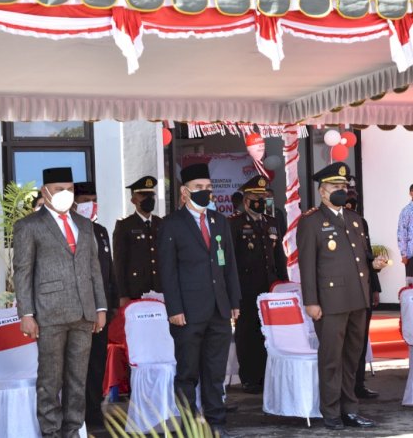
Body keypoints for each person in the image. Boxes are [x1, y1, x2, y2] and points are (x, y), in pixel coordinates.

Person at [13, 167, 108, 437]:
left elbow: (94, 269)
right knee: (50, 380)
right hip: (49, 314)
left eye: (69, 189)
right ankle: (51, 431)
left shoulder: (85, 224)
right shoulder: (29, 226)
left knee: (78, 380)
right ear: (45, 192)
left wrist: (100, 307)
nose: (65, 194)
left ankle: (72, 430)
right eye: (58, 189)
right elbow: (23, 272)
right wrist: (26, 314)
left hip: (83, 312)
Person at [158, 163, 241, 438]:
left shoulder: (219, 221)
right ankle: (190, 425)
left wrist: (234, 301)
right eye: (199, 188)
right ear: (184, 192)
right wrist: (175, 309)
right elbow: (167, 272)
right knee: (188, 372)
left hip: (218, 309)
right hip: (188, 312)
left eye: (208, 188)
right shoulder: (172, 224)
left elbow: (228, 265)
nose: (205, 193)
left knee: (215, 371)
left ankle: (216, 421)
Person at [297, 162, 376, 430]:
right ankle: (331, 412)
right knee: (331, 359)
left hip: (357, 299)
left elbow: (361, 258)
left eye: (344, 186)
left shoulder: (354, 219)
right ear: (322, 191)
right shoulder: (311, 221)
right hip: (330, 303)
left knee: (353, 357)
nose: (341, 190)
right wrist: (311, 301)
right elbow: (307, 265)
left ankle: (350, 410)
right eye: (335, 187)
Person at [229, 175, 287, 394]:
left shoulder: (271, 223)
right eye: (256, 197)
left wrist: (282, 282)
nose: (261, 201)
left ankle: (265, 373)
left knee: (268, 333)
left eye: (263, 197)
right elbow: (232, 260)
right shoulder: (235, 224)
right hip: (246, 286)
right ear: (246, 200)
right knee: (247, 331)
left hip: (269, 286)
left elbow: (278, 256)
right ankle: (249, 376)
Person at [73, 181, 118, 427]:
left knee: (97, 362)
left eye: (93, 199)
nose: (90, 204)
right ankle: (78, 412)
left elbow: (109, 270)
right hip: (77, 311)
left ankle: (94, 411)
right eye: (85, 200)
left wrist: (112, 304)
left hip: (101, 311)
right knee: (78, 364)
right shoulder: (68, 230)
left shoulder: (100, 231)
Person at [344, 186, 386, 399]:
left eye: (353, 197)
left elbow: (366, 256)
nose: (351, 202)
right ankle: (346, 388)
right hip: (342, 291)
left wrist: (375, 288)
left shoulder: (361, 222)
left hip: (364, 289)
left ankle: (358, 384)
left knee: (359, 340)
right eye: (348, 197)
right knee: (344, 344)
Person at [112, 175, 161, 307]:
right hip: (136, 291)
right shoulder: (125, 226)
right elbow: (119, 264)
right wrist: (123, 295)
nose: (149, 199)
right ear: (133, 199)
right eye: (144, 195)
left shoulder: (161, 223)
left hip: (160, 290)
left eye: (151, 195)